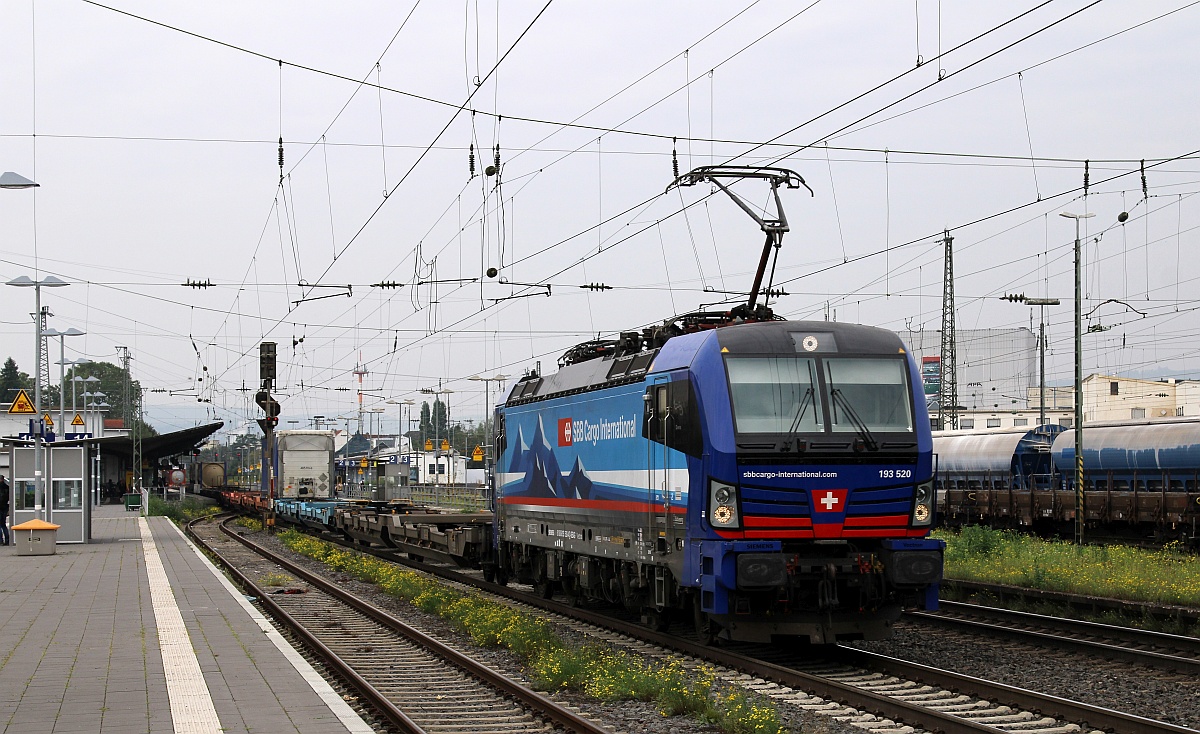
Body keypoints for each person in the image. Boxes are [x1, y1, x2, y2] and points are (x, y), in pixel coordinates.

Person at [0, 475, 11, 546]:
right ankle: (7, 540)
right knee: (3, 525)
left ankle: (0, 540)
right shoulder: (8, 488)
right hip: (5, 507)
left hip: (0, 508)